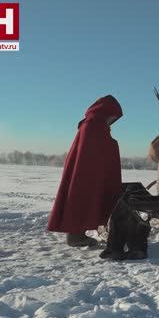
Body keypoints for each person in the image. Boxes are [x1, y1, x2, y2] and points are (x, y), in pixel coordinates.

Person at [47, 95, 123, 247]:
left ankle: (77, 235)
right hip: (87, 173)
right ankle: (76, 236)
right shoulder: (96, 125)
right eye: (113, 116)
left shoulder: (89, 124)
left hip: (83, 172)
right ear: (107, 112)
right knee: (82, 200)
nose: (113, 120)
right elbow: (100, 147)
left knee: (80, 200)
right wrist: (113, 144)